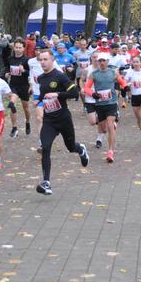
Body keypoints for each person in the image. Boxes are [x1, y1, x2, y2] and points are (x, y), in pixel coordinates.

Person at [35, 50, 89, 195]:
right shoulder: (40, 78)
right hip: (49, 121)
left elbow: (74, 93)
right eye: (41, 59)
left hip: (63, 119)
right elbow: (44, 93)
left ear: (52, 60)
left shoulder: (60, 76)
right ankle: (46, 182)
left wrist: (57, 94)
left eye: (45, 59)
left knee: (70, 147)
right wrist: (38, 99)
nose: (43, 62)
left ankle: (81, 149)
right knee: (45, 147)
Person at [83, 52, 128, 163]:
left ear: (107, 62)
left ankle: (110, 151)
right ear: (97, 62)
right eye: (100, 61)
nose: (102, 63)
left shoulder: (113, 72)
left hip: (111, 103)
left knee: (110, 125)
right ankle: (111, 126)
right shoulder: (93, 74)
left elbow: (122, 82)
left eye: (104, 60)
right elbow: (86, 88)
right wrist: (92, 94)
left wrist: (125, 87)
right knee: (103, 129)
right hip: (99, 104)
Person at [5, 38, 31, 137]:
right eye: (16, 47)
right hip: (13, 85)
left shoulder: (27, 60)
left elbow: (30, 74)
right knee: (12, 104)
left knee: (26, 107)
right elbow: (8, 68)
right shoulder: (10, 58)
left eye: (20, 47)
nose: (18, 49)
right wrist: (7, 73)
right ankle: (14, 127)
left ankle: (28, 122)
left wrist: (24, 71)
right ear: (14, 48)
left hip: (24, 86)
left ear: (24, 48)